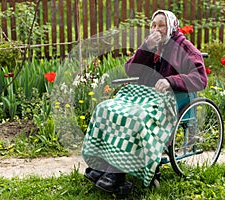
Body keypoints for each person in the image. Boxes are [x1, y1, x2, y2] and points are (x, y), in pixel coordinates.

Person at [82, 10, 207, 195]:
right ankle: (102, 166)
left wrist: (171, 80)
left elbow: (200, 78)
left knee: (134, 117)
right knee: (105, 109)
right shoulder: (152, 45)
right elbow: (130, 69)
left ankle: (117, 174)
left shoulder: (184, 47)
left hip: (169, 100)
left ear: (172, 26)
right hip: (143, 95)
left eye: (161, 25)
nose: (156, 29)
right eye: (153, 25)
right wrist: (146, 47)